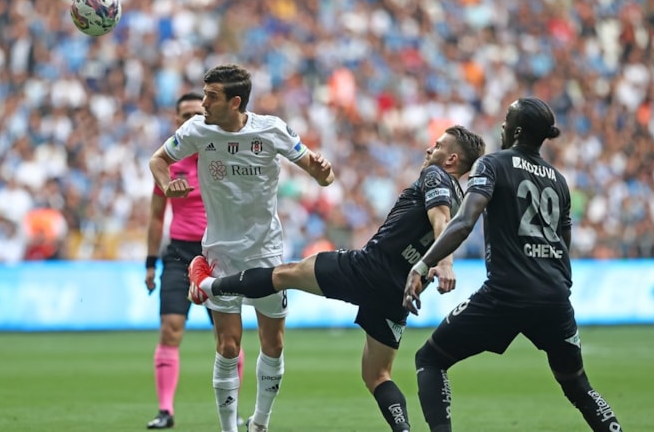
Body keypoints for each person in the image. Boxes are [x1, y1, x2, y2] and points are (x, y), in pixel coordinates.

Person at [188, 126, 486, 432]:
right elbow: (446, 227)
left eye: (437, 146)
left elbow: (441, 221)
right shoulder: (461, 197)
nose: (429, 150)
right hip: (399, 292)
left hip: (369, 268)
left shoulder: (436, 176)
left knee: (286, 273)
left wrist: (445, 264)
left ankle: (209, 285)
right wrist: (431, 266)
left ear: (451, 159)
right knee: (377, 376)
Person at [403, 98, 623, 432]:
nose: (502, 126)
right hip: (554, 296)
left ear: (516, 130)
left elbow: (463, 222)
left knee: (430, 359)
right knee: (578, 386)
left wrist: (423, 265)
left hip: (506, 294)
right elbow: (563, 246)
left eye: (506, 120)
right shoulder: (558, 181)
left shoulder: (493, 164)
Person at [149, 64, 334, 432]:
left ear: (235, 102)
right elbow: (158, 160)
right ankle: (229, 429)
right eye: (204, 94)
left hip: (266, 253)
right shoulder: (196, 130)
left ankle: (260, 422)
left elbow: (322, 175)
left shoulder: (271, 130)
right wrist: (167, 183)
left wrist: (322, 171)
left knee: (273, 343)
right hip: (219, 254)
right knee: (228, 347)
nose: (203, 102)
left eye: (211, 97)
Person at [144, 93, 246, 429]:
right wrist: (149, 262)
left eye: (195, 113)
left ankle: (234, 409)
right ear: (176, 121)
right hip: (178, 254)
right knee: (170, 329)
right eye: (184, 114)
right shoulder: (167, 163)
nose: (190, 119)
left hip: (217, 255)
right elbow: (156, 217)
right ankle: (165, 411)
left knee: (229, 338)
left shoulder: (221, 157)